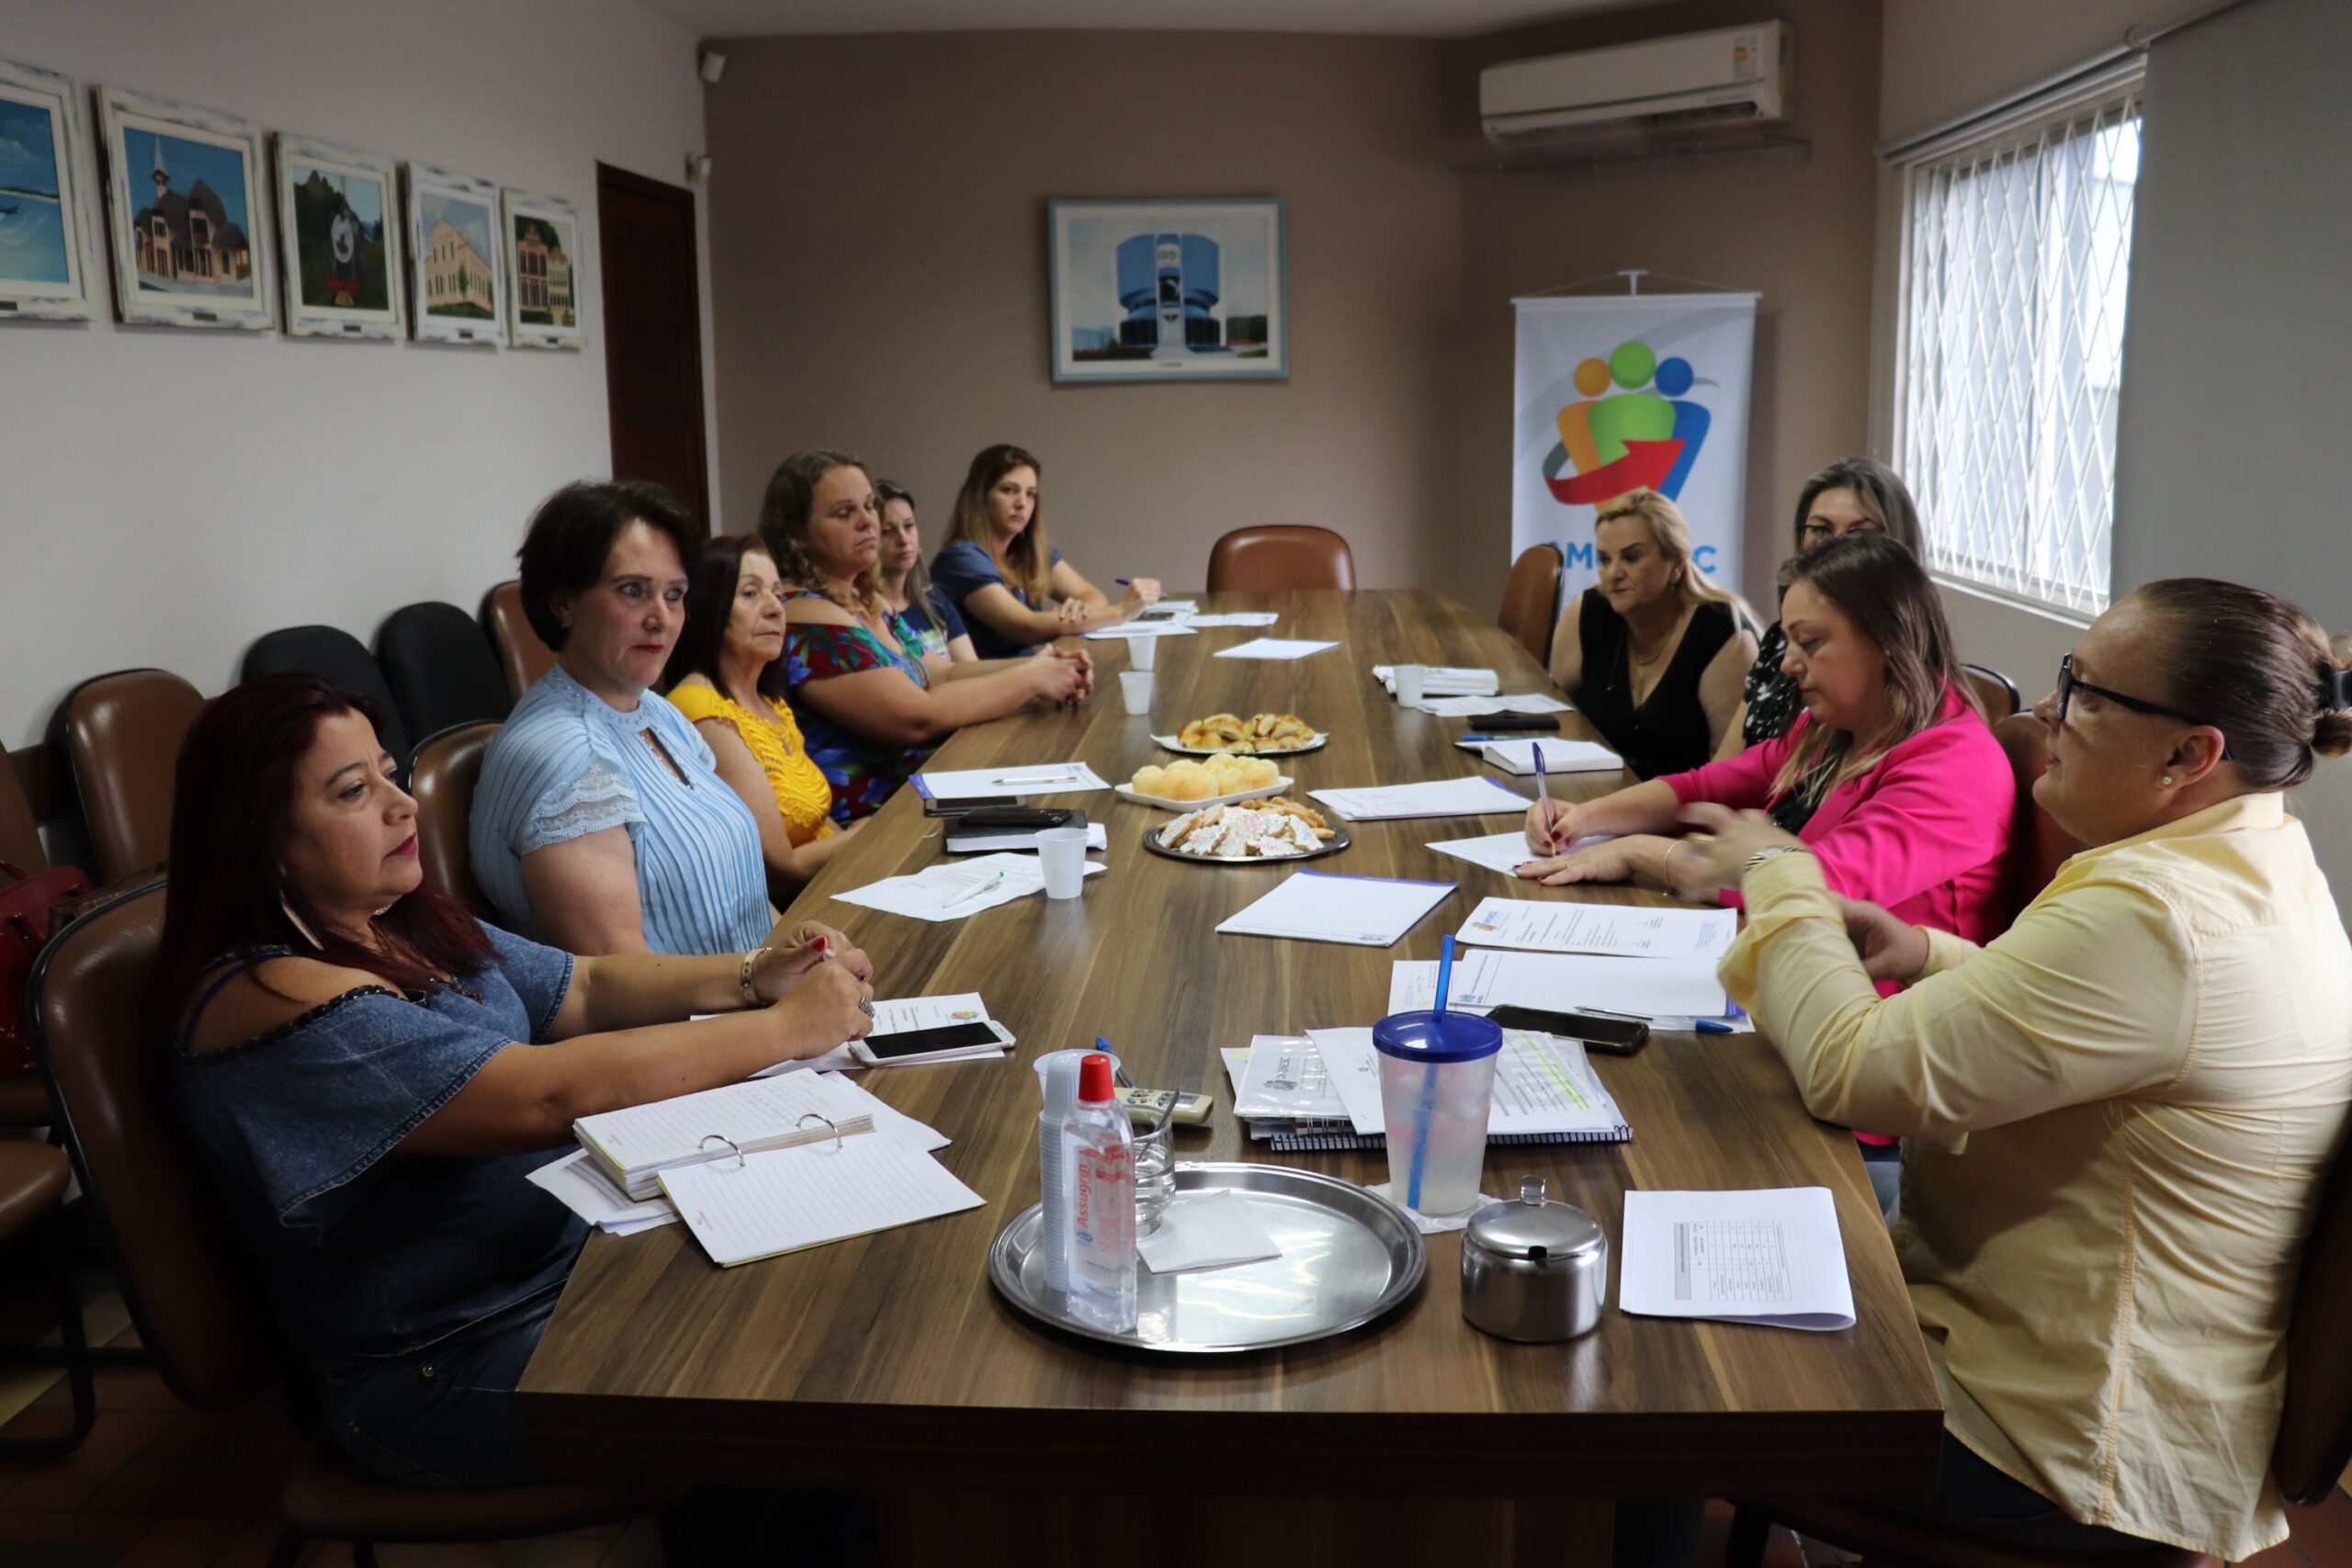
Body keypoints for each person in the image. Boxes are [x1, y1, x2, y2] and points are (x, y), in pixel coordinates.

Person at [1668, 579, 2352, 1562]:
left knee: (1651, 1365)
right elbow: (2133, 1035)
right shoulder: (2259, 862)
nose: (2042, 712)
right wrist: (1928, 953)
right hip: (2139, 1393)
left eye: (2083, 691)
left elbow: (1850, 1069)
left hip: (2056, 1445)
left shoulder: (2153, 914)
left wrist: (1779, 870)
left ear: (2189, 752)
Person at [159, 674, 877, 1488]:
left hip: (568, 1271)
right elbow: (542, 1094)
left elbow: (584, 987)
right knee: (801, 1384)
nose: (403, 806)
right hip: (444, 1364)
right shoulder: (273, 1001)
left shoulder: (390, 921)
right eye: (354, 791)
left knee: (828, 1293)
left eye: (390, 773)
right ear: (259, 837)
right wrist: (785, 1030)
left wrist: (756, 974)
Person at [1521, 533, 2010, 942]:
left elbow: (1813, 885)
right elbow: (1707, 786)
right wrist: (1584, 819)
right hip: (1799, 971)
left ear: (1887, 639)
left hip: (1880, 1020)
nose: (1787, 663)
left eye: (1810, 642)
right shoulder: (1838, 725)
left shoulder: (1957, 767)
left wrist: (1640, 853)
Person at [471, 480, 770, 956]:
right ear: (563, 602)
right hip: (697, 1024)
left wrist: (804, 946)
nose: (662, 618)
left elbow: (743, 903)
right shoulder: (565, 758)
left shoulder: (656, 709)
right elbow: (625, 986)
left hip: (763, 995)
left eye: (674, 595)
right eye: (633, 591)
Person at [759, 449, 1094, 823]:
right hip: (877, 824)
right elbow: (917, 718)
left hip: (931, 792)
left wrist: (1046, 666)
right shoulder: (805, 617)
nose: (868, 522)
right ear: (795, 534)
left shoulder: (865, 599)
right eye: (844, 513)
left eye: (870, 506)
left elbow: (941, 672)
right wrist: (1032, 679)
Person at [662, 534, 857, 892]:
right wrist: (869, 835)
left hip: (834, 878)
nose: (775, 608)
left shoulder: (770, 701)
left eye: (777, 594)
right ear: (709, 610)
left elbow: (818, 822)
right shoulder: (700, 708)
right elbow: (781, 867)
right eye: (751, 594)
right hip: (791, 907)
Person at [1545, 488, 1758, 778]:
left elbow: (1729, 776)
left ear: (1677, 565)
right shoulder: (1587, 614)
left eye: (1631, 557)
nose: (1613, 573)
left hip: (1680, 815)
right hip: (1590, 800)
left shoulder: (1722, 634)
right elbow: (1554, 721)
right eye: (1605, 559)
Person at [1725, 457, 1924, 755]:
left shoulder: (1907, 662)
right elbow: (1723, 768)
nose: (1836, 547)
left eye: (1860, 534)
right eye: (1821, 530)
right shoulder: (1780, 641)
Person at [930, 443, 1163, 659]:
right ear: (981, 497)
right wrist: (1122, 611)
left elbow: (1094, 597)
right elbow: (1026, 627)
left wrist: (1078, 609)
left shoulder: (1030, 554)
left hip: (1029, 679)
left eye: (1030, 494)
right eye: (1009, 490)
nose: (1022, 503)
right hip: (987, 692)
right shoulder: (960, 559)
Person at [876, 479, 977, 662]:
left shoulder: (935, 599)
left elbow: (971, 668)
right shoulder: (866, 612)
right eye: (887, 531)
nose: (904, 539)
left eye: (908, 526)